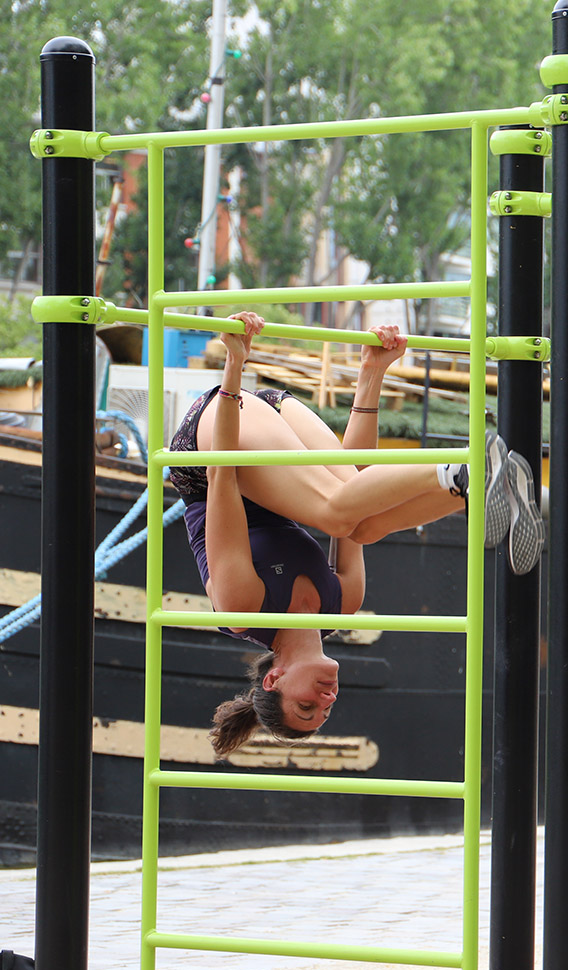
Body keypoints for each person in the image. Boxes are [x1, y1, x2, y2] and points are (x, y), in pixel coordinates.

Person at [168, 311, 543, 758]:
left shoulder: (242, 607)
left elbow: (222, 472)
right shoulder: (342, 604)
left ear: (274, 679)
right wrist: (373, 372)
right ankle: (472, 491)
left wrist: (234, 367)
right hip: (269, 443)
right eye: (326, 711)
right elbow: (359, 479)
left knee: (337, 514)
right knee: (365, 522)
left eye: (307, 705)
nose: (327, 700)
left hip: (210, 445)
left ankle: (462, 469)